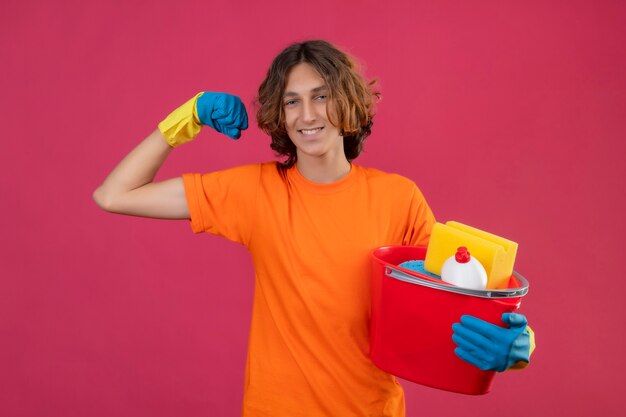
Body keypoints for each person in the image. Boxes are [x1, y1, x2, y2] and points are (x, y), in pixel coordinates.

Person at [94, 40, 533, 417]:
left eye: (321, 97)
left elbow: (453, 304)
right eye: (292, 100)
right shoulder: (256, 191)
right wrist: (185, 119)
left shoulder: (399, 198)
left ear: (349, 104)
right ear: (279, 115)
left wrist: (519, 346)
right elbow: (115, 195)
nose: (307, 114)